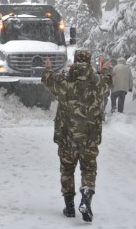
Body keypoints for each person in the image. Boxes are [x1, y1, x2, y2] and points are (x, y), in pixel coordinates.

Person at [42, 50, 112, 222]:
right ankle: (86, 199)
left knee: (67, 169)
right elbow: (108, 83)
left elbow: (47, 81)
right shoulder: (97, 82)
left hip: (67, 137)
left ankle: (70, 206)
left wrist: (48, 68)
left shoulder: (64, 80)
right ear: (89, 62)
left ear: (74, 61)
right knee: (88, 169)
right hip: (89, 138)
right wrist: (105, 71)